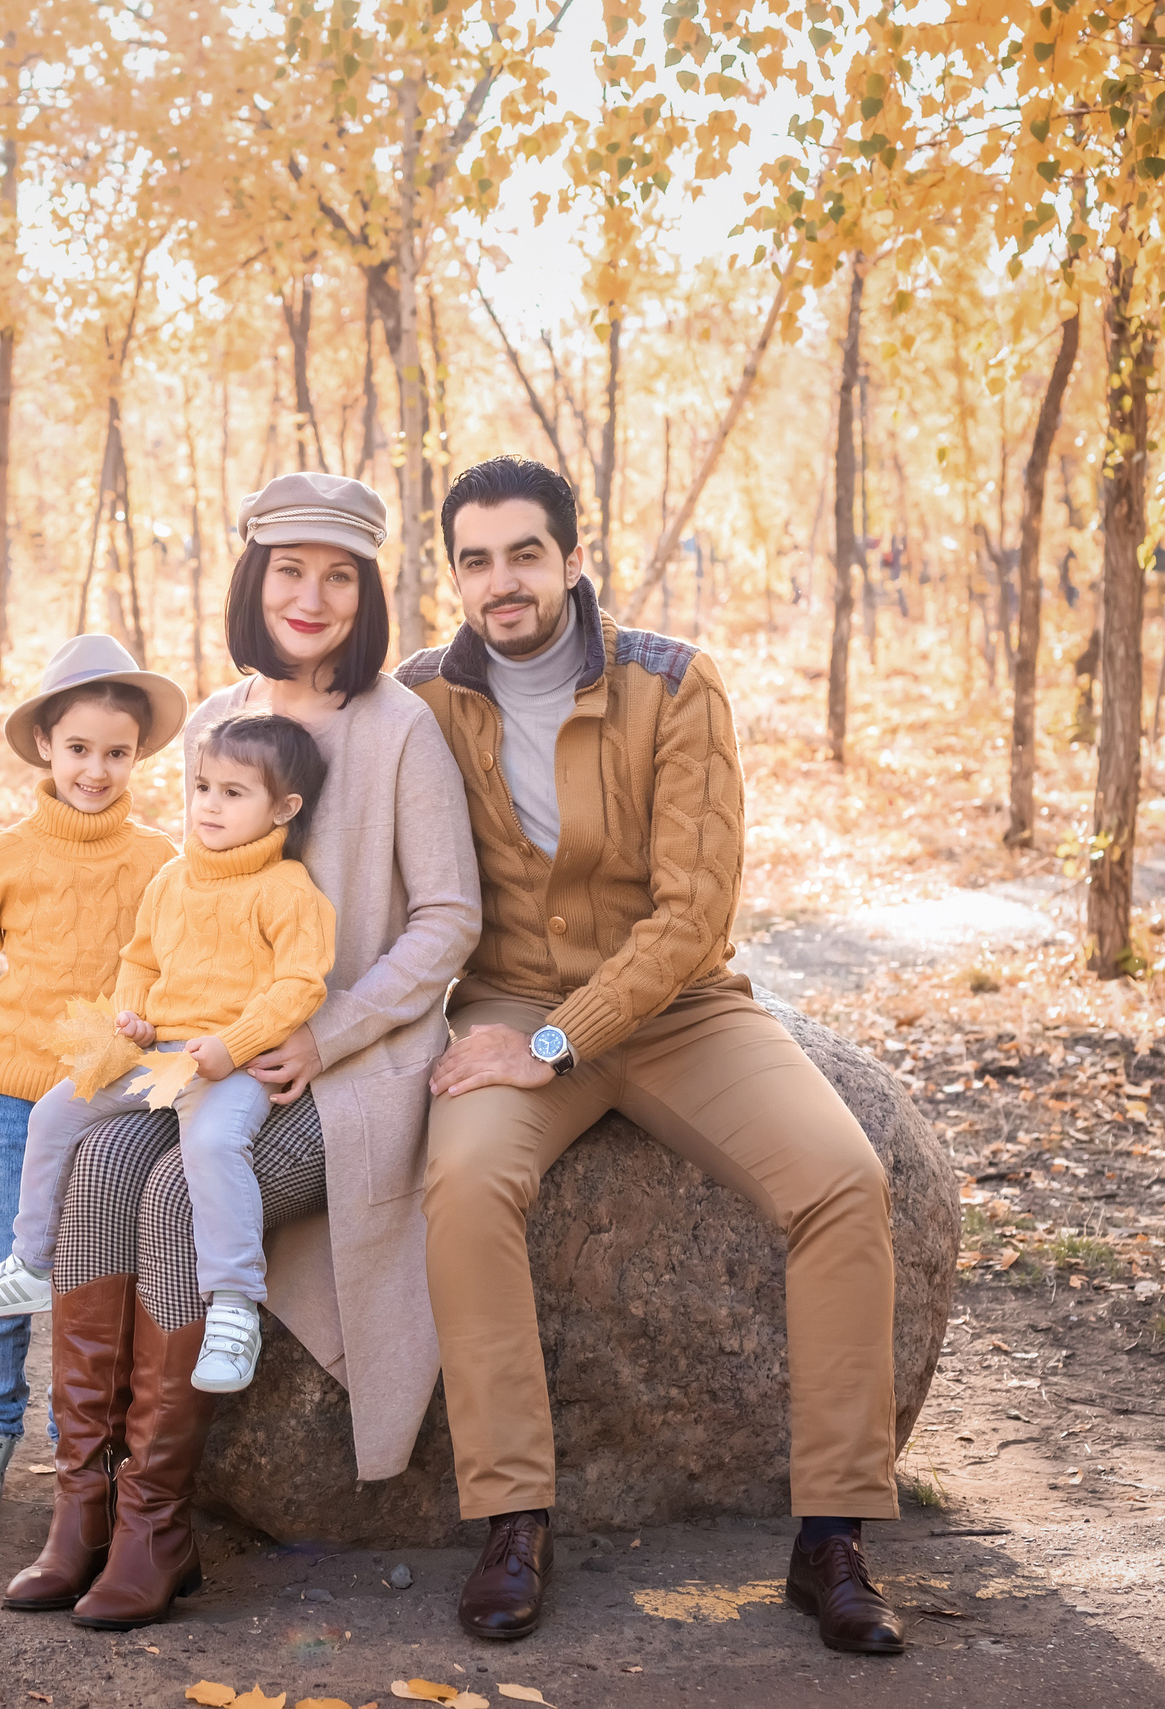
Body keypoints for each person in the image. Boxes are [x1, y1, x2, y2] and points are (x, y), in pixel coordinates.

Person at [396, 456, 907, 1655]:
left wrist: (563, 1040)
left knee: (844, 1181)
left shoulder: (673, 683)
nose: (500, 580)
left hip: (678, 1009)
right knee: (465, 1185)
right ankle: (515, 1516)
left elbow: (691, 915)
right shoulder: (422, 694)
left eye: (524, 553)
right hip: (509, 999)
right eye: (474, 559)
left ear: (574, 559)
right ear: (455, 573)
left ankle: (831, 1530)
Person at [0, 471, 481, 1631]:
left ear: (366, 591)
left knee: (170, 1192)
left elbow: (448, 918)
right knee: (99, 1165)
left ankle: (158, 1524)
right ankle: (83, 1505)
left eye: (338, 575)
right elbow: (192, 902)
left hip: (349, 1064)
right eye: (288, 569)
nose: (309, 596)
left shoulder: (398, 726)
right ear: (252, 579)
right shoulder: (218, 719)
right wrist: (143, 1012)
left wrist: (331, 1028)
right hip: (204, 1050)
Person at [0, 711, 337, 1397]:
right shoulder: (173, 879)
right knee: (54, 1113)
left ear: (284, 807)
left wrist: (234, 1044)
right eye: (202, 787)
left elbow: (298, 985)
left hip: (229, 1062)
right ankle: (32, 1262)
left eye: (234, 792)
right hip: (155, 1053)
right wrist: (130, 1014)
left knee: (214, 1148)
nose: (210, 806)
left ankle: (232, 1304)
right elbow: (140, 957)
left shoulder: (288, 891)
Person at [0, 634, 182, 1519]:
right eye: (79, 749)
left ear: (138, 755)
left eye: (117, 752)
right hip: (15, 1094)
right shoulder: (10, 854)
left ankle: (91, 1442)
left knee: (101, 1264)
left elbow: (177, 962)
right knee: (5, 1261)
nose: (97, 770)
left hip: (109, 1091)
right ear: (45, 746)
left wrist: (161, 1023)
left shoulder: (158, 861)